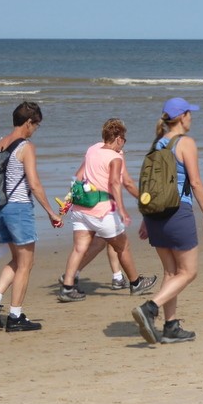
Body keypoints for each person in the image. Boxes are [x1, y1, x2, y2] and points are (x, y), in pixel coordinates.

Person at [132, 97, 203, 344]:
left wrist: (146, 217)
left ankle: (171, 326)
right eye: (190, 114)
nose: (192, 118)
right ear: (183, 116)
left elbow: (149, 185)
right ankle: (151, 307)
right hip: (178, 212)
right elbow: (196, 182)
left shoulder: (157, 144)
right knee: (189, 272)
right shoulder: (185, 143)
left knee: (170, 272)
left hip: (155, 214)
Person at [0, 102, 63, 332]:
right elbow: (34, 184)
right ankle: (15, 315)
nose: (35, 129)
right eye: (36, 125)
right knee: (26, 263)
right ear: (29, 122)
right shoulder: (26, 147)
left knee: (17, 261)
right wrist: (51, 212)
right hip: (18, 208)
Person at [58, 118, 157, 302]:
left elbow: (78, 175)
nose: (124, 143)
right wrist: (125, 208)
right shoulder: (115, 157)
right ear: (118, 138)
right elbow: (119, 182)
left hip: (81, 208)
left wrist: (69, 199)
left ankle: (67, 287)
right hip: (101, 211)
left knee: (79, 249)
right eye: (124, 139)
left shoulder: (92, 149)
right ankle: (136, 283)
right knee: (123, 246)